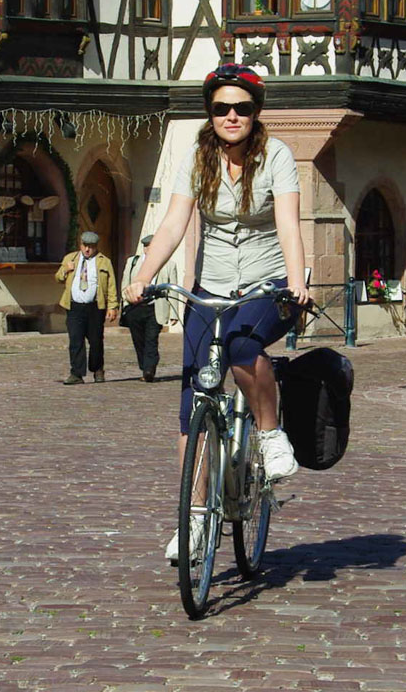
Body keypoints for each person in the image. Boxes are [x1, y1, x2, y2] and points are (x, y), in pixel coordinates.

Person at [125, 63, 310, 563]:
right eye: (222, 108)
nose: (232, 116)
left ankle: (270, 435)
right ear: (211, 113)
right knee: (192, 405)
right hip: (208, 288)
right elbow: (172, 225)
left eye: (242, 108)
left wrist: (296, 283)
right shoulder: (196, 157)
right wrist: (142, 276)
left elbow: (290, 225)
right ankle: (194, 521)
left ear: (255, 112)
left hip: (265, 284)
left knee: (243, 346)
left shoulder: (277, 156)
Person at [56, 231, 119, 385]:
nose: (87, 250)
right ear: (80, 245)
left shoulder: (104, 262)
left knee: (96, 341)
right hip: (74, 306)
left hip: (95, 307)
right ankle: (76, 373)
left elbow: (111, 286)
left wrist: (113, 306)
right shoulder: (70, 259)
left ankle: (97, 370)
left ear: (96, 247)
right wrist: (65, 270)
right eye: (85, 246)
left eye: (91, 247)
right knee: (76, 340)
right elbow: (58, 278)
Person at [120, 235, 167, 382]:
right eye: (147, 247)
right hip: (136, 306)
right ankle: (144, 366)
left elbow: (170, 290)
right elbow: (125, 283)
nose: (149, 250)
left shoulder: (167, 264)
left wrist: (171, 313)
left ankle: (149, 369)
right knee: (138, 339)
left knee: (151, 339)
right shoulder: (133, 262)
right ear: (144, 248)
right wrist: (126, 302)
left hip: (155, 306)